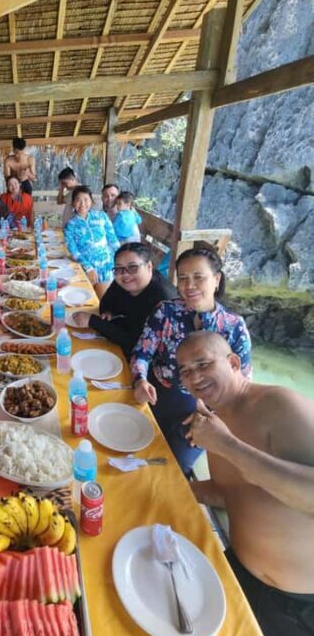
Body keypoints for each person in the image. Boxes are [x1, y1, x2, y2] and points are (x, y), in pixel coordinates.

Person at [179, 331, 314, 636]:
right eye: (185, 371)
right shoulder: (214, 421)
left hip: (304, 602)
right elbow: (234, 493)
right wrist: (177, 490)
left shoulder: (280, 406)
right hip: (242, 581)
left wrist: (226, 445)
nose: (193, 377)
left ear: (234, 363)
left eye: (203, 364)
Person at [130, 246, 252, 474]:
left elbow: (242, 385)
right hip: (156, 393)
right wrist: (139, 380)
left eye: (199, 277)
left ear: (216, 280)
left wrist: (214, 419)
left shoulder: (234, 327)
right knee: (129, 444)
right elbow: (142, 352)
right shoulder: (165, 311)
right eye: (183, 278)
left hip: (200, 411)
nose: (189, 285)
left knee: (172, 467)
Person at [70, 243, 177, 357]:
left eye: (133, 267)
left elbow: (137, 343)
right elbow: (106, 301)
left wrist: (93, 321)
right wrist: (108, 311)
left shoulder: (163, 301)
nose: (125, 274)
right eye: (119, 268)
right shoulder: (123, 280)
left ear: (149, 266)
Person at [63, 185, 119, 298]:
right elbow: (74, 251)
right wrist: (88, 268)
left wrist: (119, 262)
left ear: (91, 201)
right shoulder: (70, 226)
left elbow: (113, 241)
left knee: (108, 302)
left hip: (107, 266)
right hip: (85, 268)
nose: (82, 203)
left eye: (86, 199)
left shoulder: (101, 216)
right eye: (78, 200)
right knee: (94, 301)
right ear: (73, 203)